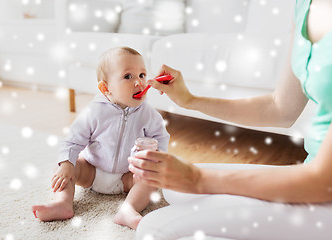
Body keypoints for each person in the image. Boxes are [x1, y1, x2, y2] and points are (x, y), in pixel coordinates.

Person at [128, 0, 332, 239]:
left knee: (154, 228)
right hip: (312, 171)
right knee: (175, 190)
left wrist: (198, 179)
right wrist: (190, 101)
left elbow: (322, 180)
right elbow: (280, 108)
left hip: (322, 187)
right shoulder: (304, 6)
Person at [31, 47, 170, 230]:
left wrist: (154, 158)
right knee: (65, 166)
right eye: (128, 76)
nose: (139, 82)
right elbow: (73, 141)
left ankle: (128, 210)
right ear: (106, 88)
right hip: (92, 171)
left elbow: (161, 139)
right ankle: (63, 203)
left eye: (142, 75)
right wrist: (67, 164)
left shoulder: (149, 115)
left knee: (151, 179)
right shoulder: (94, 111)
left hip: (127, 176)